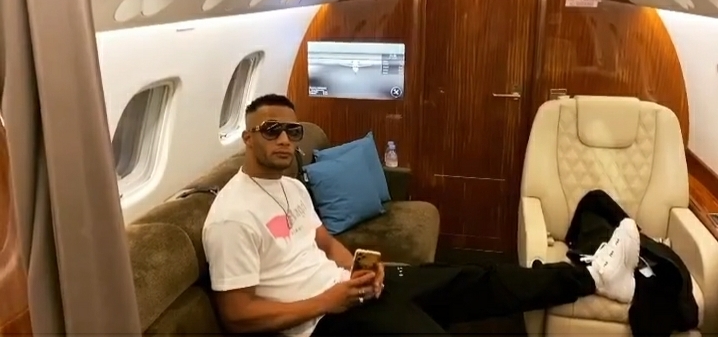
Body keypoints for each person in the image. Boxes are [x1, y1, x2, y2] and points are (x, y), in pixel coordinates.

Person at [202, 94, 641, 336]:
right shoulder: (232, 217)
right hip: (321, 323)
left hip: (349, 292)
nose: (284, 140)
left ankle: (594, 277)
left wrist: (360, 271)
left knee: (475, 278)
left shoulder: (291, 186)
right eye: (271, 130)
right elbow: (237, 315)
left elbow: (324, 241)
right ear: (248, 138)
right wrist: (328, 301)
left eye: (291, 131)